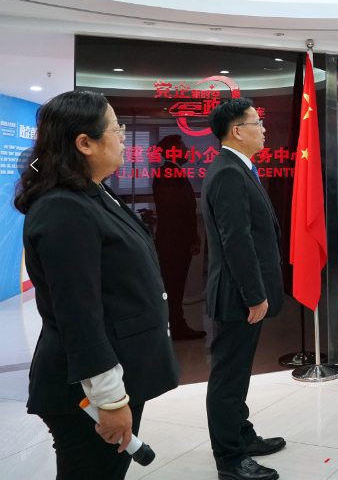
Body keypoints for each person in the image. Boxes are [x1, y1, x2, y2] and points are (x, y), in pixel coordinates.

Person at [14, 91, 179, 480]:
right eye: (116, 129)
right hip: (88, 388)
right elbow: (78, 314)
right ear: (85, 143)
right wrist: (109, 398)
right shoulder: (63, 208)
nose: (123, 137)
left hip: (119, 372)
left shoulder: (94, 191)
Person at [203, 98, 285, 480]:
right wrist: (254, 295)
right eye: (257, 123)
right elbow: (236, 240)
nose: (263, 129)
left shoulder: (238, 168)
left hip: (242, 291)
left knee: (238, 374)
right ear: (237, 130)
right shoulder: (228, 173)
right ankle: (231, 458)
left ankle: (243, 435)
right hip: (237, 294)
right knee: (228, 378)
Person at [153, 134, 205, 340]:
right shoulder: (168, 174)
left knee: (175, 286)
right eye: (183, 148)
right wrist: (191, 237)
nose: (187, 151)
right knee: (174, 286)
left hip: (175, 241)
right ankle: (176, 327)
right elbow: (176, 212)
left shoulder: (172, 172)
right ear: (173, 151)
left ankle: (175, 324)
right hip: (174, 243)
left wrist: (193, 236)